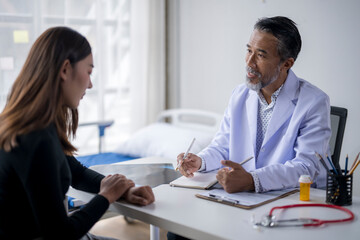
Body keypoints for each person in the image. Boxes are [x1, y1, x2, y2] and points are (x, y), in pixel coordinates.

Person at [0, 26, 155, 240]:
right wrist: (106, 196)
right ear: (65, 70)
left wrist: (122, 190)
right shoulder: (35, 137)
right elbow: (61, 235)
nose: (90, 84)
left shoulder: (34, 123)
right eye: (89, 72)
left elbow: (76, 173)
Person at [177, 16, 331, 194]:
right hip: (246, 197)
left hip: (292, 198)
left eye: (260, 55)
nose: (249, 62)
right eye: (249, 51)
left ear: (287, 64)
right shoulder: (240, 95)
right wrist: (200, 161)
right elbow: (222, 147)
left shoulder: (314, 102)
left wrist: (253, 180)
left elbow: (305, 168)